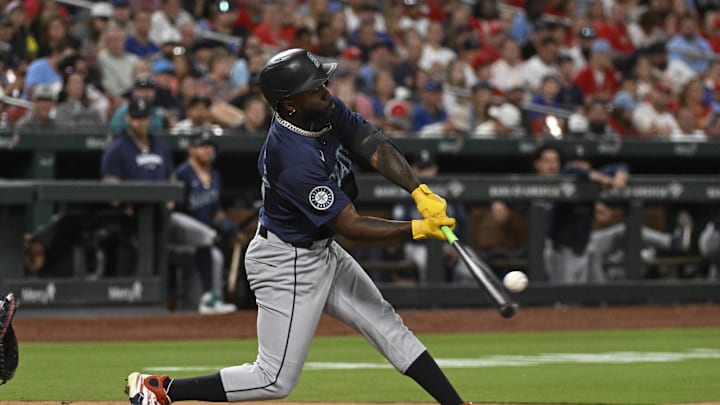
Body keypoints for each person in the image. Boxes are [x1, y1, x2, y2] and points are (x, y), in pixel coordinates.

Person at [125, 48, 467, 405]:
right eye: (315, 86)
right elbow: (350, 225)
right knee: (273, 380)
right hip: (285, 261)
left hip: (322, 251)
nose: (326, 89)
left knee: (387, 325)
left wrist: (418, 190)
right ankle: (160, 390)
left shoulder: (323, 110)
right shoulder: (290, 158)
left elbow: (371, 144)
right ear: (290, 105)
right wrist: (417, 229)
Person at [170, 128, 237, 314]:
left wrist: (227, 224)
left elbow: (216, 211)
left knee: (215, 255)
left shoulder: (215, 175)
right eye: (202, 146)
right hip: (179, 234)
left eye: (210, 147)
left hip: (204, 240)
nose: (207, 150)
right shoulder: (182, 173)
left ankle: (212, 299)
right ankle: (208, 298)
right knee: (204, 236)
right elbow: (172, 210)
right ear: (191, 149)